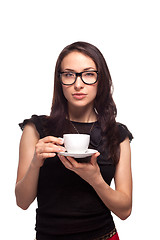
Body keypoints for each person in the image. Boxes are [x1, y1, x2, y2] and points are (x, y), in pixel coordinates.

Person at [15, 41, 133, 240]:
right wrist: (36, 162)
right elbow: (22, 202)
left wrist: (95, 179)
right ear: (59, 81)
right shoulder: (36, 129)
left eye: (88, 74)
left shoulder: (117, 135)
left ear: (100, 79)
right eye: (69, 74)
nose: (78, 84)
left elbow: (125, 210)